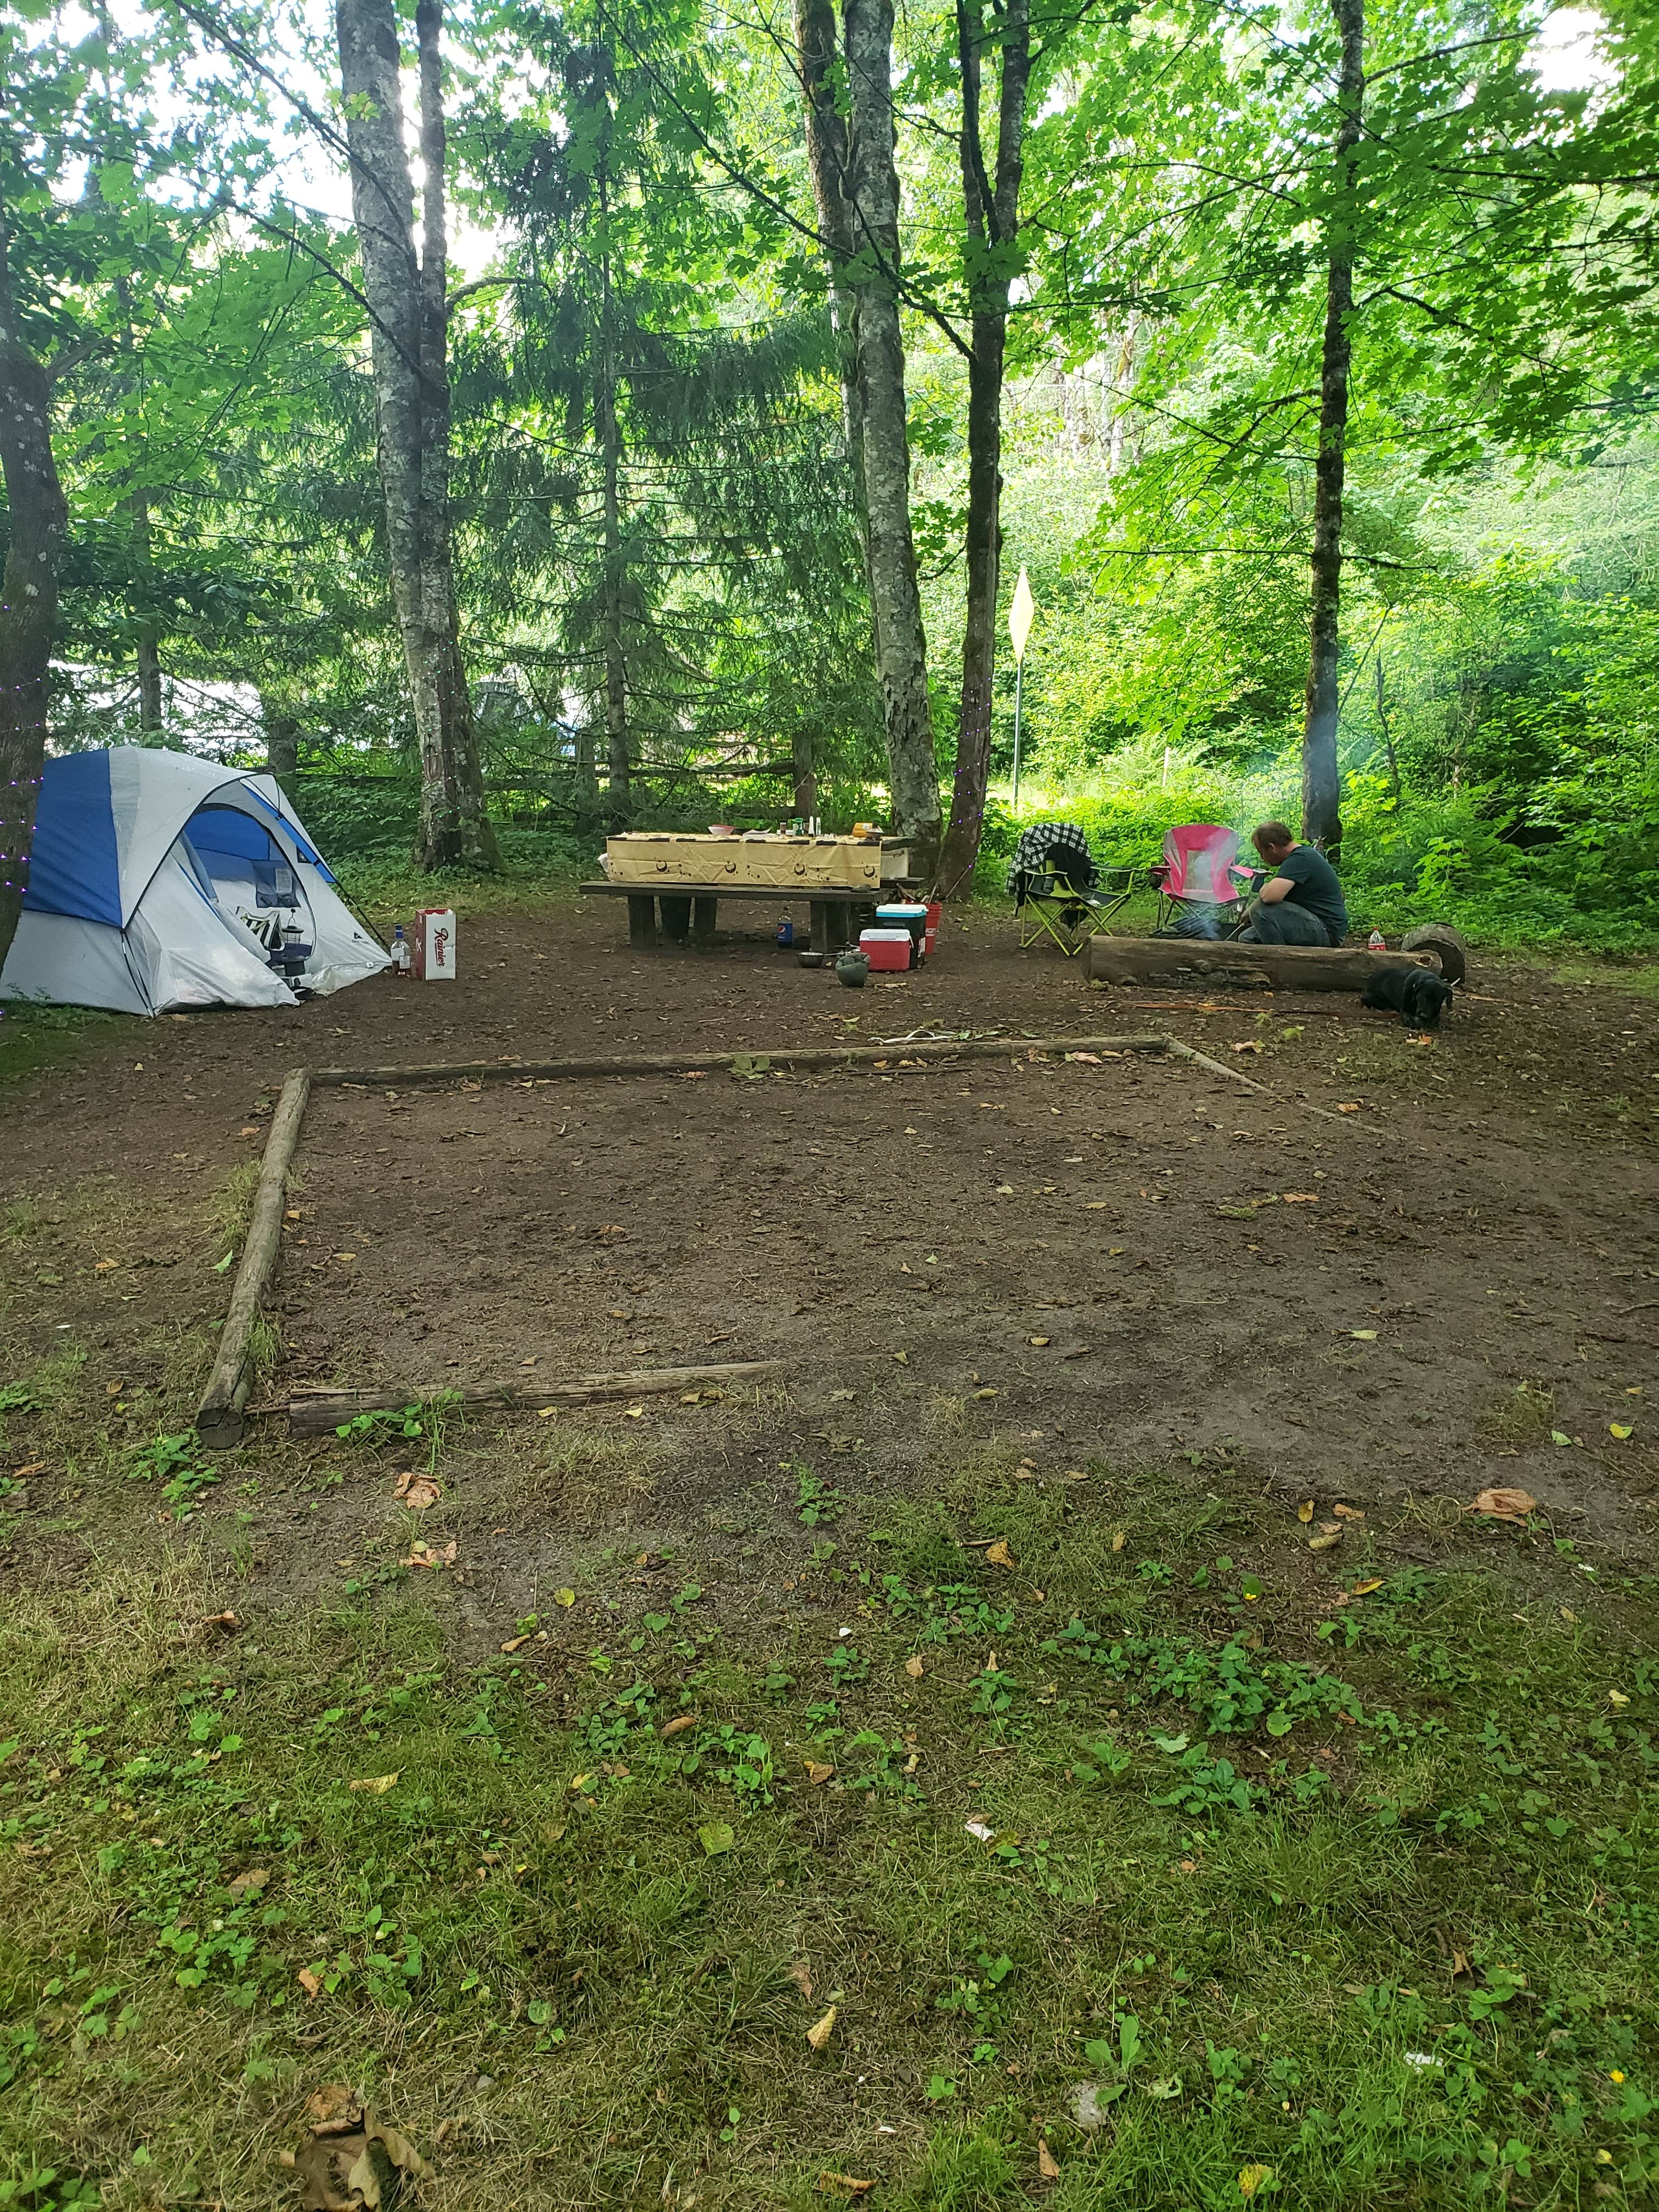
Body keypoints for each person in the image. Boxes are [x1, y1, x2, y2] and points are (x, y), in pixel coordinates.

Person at [1236, 821, 1347, 946]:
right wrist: (1250, 911)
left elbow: (1270, 897)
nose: (1262, 858)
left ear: (1272, 848)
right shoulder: (1298, 858)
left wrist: (1263, 892)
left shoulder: (1301, 858)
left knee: (1259, 910)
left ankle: (1280, 960)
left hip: (1328, 932)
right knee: (1247, 938)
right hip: (1314, 925)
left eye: (1262, 852)